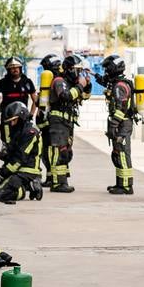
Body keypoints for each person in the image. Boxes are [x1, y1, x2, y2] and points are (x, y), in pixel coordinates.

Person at [43, 55, 86, 193]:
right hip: (58, 122)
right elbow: (65, 96)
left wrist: (86, 85)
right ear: (69, 69)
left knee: (66, 153)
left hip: (67, 122)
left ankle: (62, 181)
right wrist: (80, 85)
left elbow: (83, 96)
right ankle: (57, 183)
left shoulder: (71, 83)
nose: (79, 73)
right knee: (59, 151)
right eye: (77, 70)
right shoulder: (59, 81)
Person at [101, 54, 137, 195]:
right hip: (121, 123)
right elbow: (105, 82)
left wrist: (114, 125)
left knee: (122, 153)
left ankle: (127, 186)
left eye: (107, 69)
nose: (106, 72)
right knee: (117, 153)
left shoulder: (119, 86)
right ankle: (120, 183)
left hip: (122, 124)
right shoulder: (120, 83)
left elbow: (121, 108)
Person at [0, 58, 37, 145]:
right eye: (12, 68)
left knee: (22, 140)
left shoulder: (27, 82)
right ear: (8, 70)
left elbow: (35, 100)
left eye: (17, 67)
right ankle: (5, 148)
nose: (15, 69)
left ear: (20, 68)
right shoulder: (3, 82)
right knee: (7, 140)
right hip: (7, 117)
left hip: (22, 117)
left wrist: (31, 114)